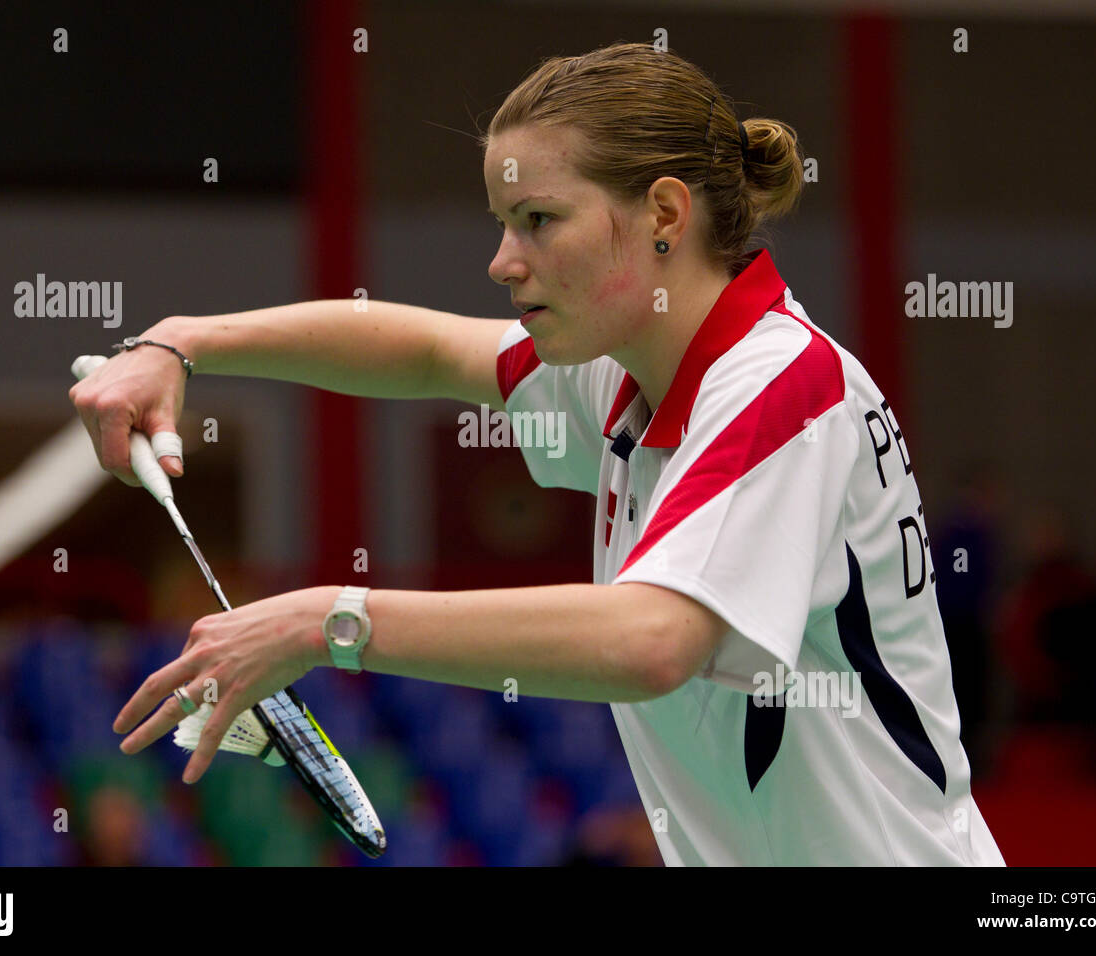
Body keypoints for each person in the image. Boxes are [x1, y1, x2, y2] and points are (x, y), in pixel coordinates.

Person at [70, 42, 1004, 865]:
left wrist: (328, 621)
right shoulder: (627, 372)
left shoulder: (780, 384)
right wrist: (183, 339)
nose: (503, 260)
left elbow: (651, 641)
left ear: (664, 214)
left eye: (538, 220)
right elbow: (433, 351)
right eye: (503, 222)